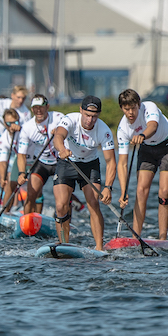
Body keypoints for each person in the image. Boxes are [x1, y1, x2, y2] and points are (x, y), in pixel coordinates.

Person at [51, 96, 116, 249]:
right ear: (81, 111)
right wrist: (62, 149)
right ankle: (63, 244)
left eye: (94, 116)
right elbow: (58, 136)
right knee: (61, 206)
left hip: (89, 166)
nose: (90, 120)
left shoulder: (104, 131)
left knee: (93, 203)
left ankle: (99, 248)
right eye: (87, 115)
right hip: (67, 162)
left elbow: (111, 162)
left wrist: (108, 187)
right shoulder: (70, 120)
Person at [116, 89, 168, 240]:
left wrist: (142, 135)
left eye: (133, 108)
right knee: (141, 190)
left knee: (164, 190)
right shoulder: (123, 129)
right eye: (126, 109)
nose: (131, 112)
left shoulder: (149, 107)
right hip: (147, 149)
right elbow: (123, 164)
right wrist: (123, 191)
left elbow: (152, 126)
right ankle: (135, 237)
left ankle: (163, 238)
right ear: (122, 108)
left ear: (139, 105)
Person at [16, 95, 66, 216]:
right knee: (31, 193)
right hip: (41, 163)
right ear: (32, 109)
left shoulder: (59, 118)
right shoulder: (27, 128)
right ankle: (27, 222)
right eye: (35, 108)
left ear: (47, 107)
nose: (39, 111)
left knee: (63, 198)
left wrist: (60, 131)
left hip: (60, 162)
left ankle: (64, 222)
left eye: (41, 107)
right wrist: (22, 173)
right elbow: (21, 154)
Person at [0, 108, 22, 206]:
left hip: (33, 159)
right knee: (11, 180)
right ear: (5, 124)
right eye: (9, 123)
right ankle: (13, 208)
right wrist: (2, 177)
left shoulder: (25, 131)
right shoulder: (3, 140)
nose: (13, 126)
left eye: (15, 122)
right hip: (19, 160)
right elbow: (2, 162)